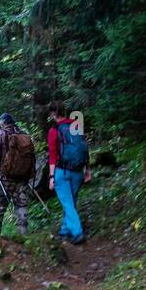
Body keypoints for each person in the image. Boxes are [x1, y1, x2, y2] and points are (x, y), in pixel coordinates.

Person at [0, 112, 36, 236]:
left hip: (5, 177)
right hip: (23, 178)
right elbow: (32, 156)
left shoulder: (2, 134)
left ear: (3, 123)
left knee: (0, 204)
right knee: (21, 204)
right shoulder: (23, 135)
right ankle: (23, 234)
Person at [47, 101, 90, 244]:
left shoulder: (53, 130)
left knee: (67, 204)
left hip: (62, 172)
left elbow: (53, 156)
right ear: (65, 111)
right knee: (70, 202)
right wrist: (88, 170)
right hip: (78, 171)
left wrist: (51, 176)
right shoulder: (77, 125)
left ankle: (77, 233)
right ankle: (64, 231)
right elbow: (84, 148)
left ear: (53, 114)